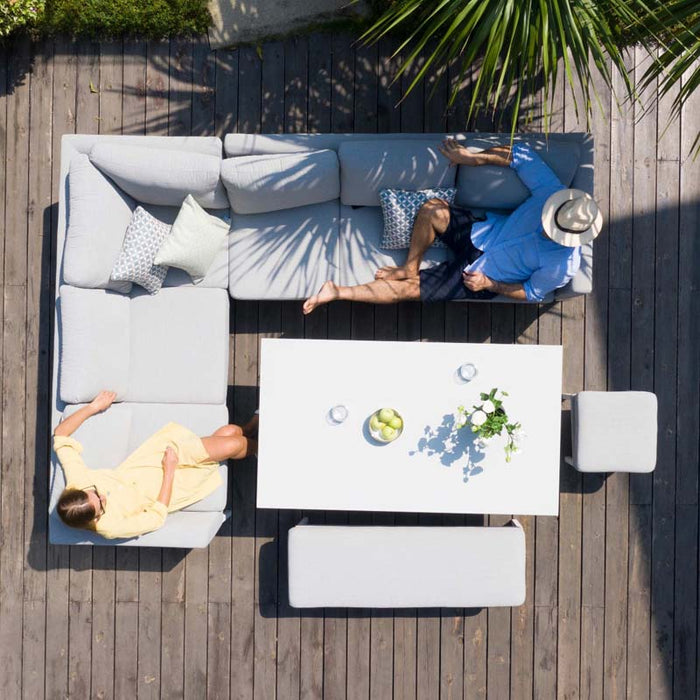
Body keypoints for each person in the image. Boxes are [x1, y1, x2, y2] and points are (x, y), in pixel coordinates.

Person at [302, 139, 602, 313]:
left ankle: (337, 292)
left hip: (482, 276)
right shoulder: (552, 192)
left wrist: (491, 285)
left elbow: (532, 292)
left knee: (407, 291)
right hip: (482, 233)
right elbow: (520, 153)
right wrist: (472, 158)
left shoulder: (563, 265)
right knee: (433, 209)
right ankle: (410, 265)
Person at [53, 390, 258, 539]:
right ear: (94, 519)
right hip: (173, 485)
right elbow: (155, 518)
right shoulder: (110, 527)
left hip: (155, 458)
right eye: (101, 506)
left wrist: (93, 407)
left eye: (95, 493)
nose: (102, 497)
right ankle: (261, 443)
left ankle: (252, 433)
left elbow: (60, 436)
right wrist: (169, 471)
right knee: (231, 438)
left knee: (231, 436)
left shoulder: (78, 482)